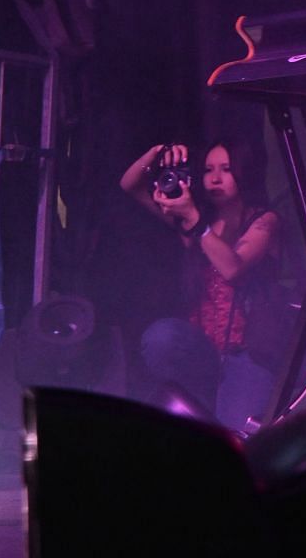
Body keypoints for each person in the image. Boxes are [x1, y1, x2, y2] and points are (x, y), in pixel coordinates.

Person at [119, 139, 283, 430]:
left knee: (235, 440)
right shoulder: (195, 221)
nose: (215, 178)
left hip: (249, 353)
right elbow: (130, 184)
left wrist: (195, 221)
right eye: (208, 170)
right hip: (203, 349)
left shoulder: (263, 221)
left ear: (244, 173)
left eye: (226, 169)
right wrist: (157, 153)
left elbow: (233, 268)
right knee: (161, 335)